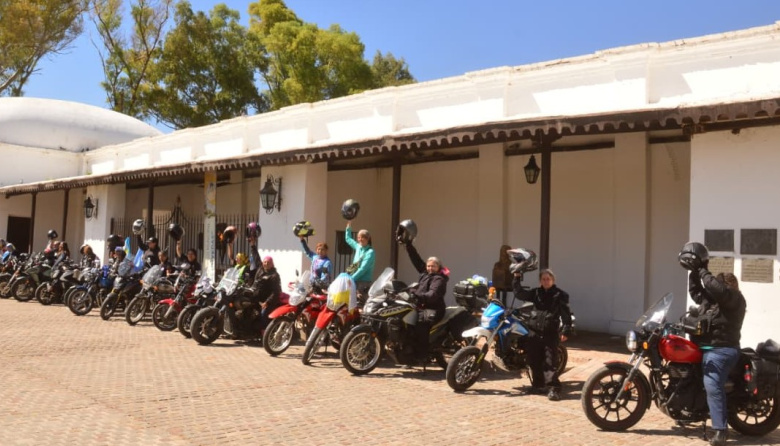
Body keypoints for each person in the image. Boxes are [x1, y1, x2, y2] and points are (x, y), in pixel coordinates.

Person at [680, 242, 746, 446]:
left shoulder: (734, 298)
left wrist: (702, 269)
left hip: (721, 349)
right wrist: (693, 272)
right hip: (704, 347)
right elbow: (697, 293)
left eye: (720, 285)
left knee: (712, 384)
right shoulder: (715, 301)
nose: (715, 290)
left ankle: (720, 430)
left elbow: (715, 289)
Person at [514, 266, 573, 401]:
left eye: (548, 279)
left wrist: (566, 330)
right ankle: (538, 385)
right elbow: (520, 294)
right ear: (540, 281)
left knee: (549, 362)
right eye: (543, 279)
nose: (546, 281)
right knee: (534, 361)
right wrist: (517, 278)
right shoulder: (536, 293)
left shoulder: (560, 295)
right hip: (534, 332)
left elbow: (566, 314)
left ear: (553, 280)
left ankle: (554, 389)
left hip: (550, 334)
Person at [248, 255, 282, 332]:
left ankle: (264, 331)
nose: (266, 264)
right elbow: (256, 258)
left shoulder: (274, 276)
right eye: (265, 262)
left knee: (263, 314)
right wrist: (253, 245)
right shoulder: (260, 270)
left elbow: (276, 292)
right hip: (257, 298)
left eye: (268, 262)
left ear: (272, 264)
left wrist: (267, 302)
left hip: (266, 300)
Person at [345, 221, 375, 299]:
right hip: (354, 280)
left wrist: (351, 278)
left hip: (363, 283)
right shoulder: (358, 247)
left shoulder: (370, 252)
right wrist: (348, 227)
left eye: (362, 237)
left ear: (367, 239)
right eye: (358, 237)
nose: (360, 239)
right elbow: (348, 239)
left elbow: (362, 269)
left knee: (361, 305)